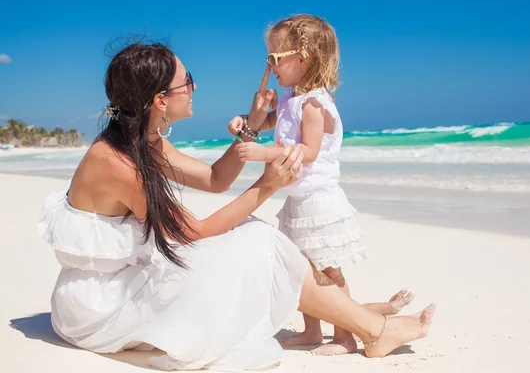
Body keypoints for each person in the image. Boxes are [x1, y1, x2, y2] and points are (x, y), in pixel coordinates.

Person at [39, 41, 435, 371]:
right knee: (257, 239)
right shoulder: (118, 161)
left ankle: (360, 320)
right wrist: (266, 185)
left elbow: (216, 180)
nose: (194, 87)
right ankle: (374, 329)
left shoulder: (143, 141)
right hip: (99, 305)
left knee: (254, 239)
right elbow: (192, 232)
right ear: (160, 100)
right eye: (186, 81)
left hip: (121, 281)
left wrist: (253, 123)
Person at [229, 14, 380, 355]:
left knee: (329, 270)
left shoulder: (314, 103)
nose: (271, 65)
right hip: (300, 200)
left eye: (275, 58)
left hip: (319, 201)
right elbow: (271, 123)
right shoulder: (291, 99)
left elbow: (307, 150)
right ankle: (312, 331)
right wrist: (246, 121)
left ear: (303, 56)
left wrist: (261, 154)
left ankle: (345, 335)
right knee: (303, 269)